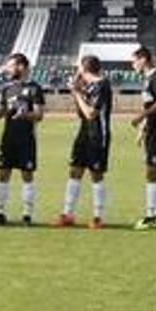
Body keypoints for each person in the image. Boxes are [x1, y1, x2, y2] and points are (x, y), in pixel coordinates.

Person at [0, 53, 45, 226]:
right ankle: (0, 212)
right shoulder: (7, 87)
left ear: (22, 67)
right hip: (8, 138)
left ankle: (27, 214)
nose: (8, 68)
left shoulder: (35, 88)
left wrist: (25, 114)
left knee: (27, 175)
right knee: (3, 174)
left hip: (26, 138)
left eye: (11, 65)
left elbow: (39, 115)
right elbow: (3, 112)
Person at [57, 55, 111, 229]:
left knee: (96, 174)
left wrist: (76, 92)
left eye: (79, 68)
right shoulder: (89, 86)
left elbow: (90, 113)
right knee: (74, 170)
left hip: (97, 135)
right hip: (84, 132)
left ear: (84, 68)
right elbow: (81, 113)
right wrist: (78, 90)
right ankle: (67, 214)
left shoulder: (102, 85)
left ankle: (97, 216)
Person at [129, 46, 156, 228]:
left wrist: (141, 116)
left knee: (151, 172)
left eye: (134, 61)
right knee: (153, 172)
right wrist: (143, 129)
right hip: (153, 130)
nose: (132, 65)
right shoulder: (148, 79)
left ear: (143, 59)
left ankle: (151, 215)